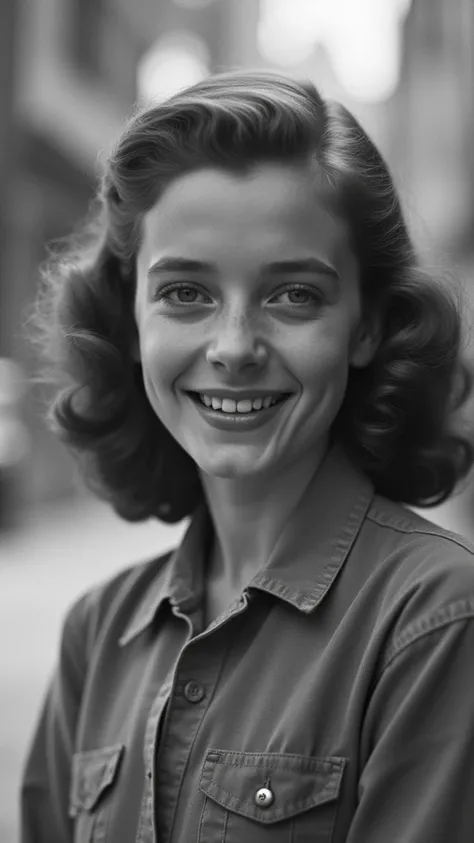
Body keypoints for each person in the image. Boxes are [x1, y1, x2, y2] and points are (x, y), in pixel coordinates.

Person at [20, 70, 474, 843]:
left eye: (293, 294)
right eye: (185, 293)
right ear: (130, 319)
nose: (233, 348)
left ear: (366, 326)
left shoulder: (436, 623)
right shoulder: (97, 635)